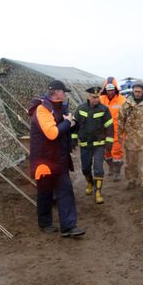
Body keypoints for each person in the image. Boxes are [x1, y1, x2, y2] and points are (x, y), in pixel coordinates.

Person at [28, 80, 85, 237]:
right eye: (64, 91)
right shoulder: (42, 110)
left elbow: (62, 130)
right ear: (57, 92)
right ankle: (45, 223)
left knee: (65, 191)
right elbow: (51, 133)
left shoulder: (58, 108)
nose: (65, 94)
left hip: (58, 160)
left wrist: (72, 124)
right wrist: (67, 122)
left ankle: (68, 227)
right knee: (45, 193)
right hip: (44, 161)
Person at [72, 86, 114, 204]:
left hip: (99, 145)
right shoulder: (80, 109)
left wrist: (109, 142)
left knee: (98, 169)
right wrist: (73, 139)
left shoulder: (104, 109)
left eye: (97, 97)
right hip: (85, 145)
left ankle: (98, 192)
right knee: (85, 168)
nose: (96, 99)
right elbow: (75, 126)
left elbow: (110, 127)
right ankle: (90, 182)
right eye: (93, 97)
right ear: (88, 96)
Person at [99, 77, 126, 181]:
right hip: (103, 131)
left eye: (112, 89)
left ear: (116, 89)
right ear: (105, 89)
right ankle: (111, 167)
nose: (110, 92)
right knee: (106, 152)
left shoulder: (122, 100)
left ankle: (117, 172)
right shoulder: (101, 100)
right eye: (108, 89)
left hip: (117, 131)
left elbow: (129, 116)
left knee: (117, 152)